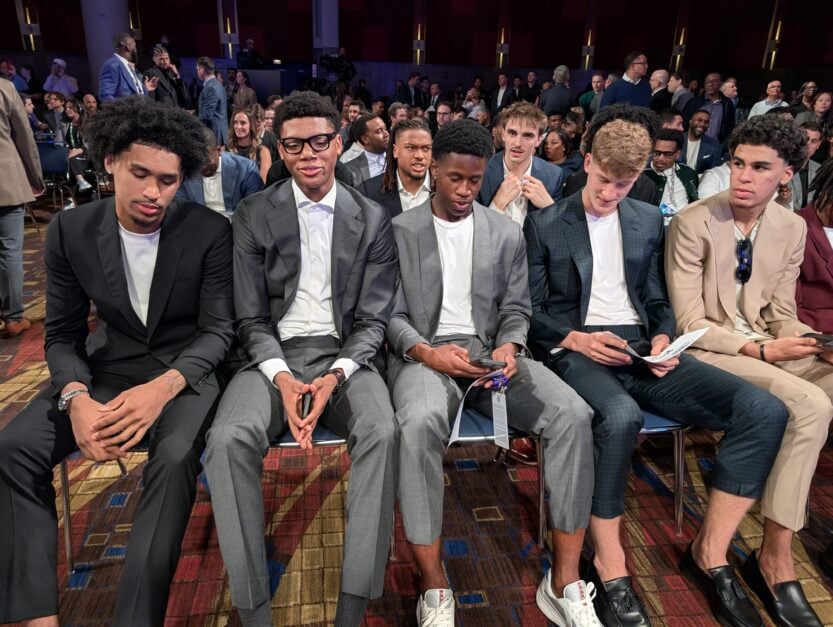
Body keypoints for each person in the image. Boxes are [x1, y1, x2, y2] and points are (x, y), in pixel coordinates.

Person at [525, 110, 791, 627]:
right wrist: (576, 337)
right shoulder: (546, 223)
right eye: (603, 181)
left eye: (623, 185)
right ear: (587, 163)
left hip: (641, 348)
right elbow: (531, 309)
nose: (609, 195)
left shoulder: (647, 219)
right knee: (620, 416)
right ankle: (610, 561)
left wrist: (666, 337)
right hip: (576, 348)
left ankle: (711, 552)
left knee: (763, 411)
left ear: (639, 178)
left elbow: (655, 297)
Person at [0, 95, 235, 626]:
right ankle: (34, 616)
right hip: (107, 369)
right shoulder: (70, 230)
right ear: (109, 161)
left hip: (185, 374)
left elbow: (220, 331)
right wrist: (75, 397)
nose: (154, 193)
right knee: (13, 449)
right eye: (140, 173)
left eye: (169, 180)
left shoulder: (208, 231)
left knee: (174, 457)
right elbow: (60, 334)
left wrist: (162, 389)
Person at [387, 118, 600, 626]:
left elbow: (516, 307)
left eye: (474, 180)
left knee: (573, 414)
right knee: (417, 425)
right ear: (434, 169)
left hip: (491, 355)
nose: (464, 190)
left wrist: (509, 343)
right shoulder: (399, 230)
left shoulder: (504, 231)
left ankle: (564, 581)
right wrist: (425, 351)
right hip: (427, 356)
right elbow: (387, 314)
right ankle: (434, 583)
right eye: (455, 178)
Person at [203, 90, 398, 627]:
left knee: (383, 431)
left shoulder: (371, 217)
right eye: (294, 145)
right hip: (271, 358)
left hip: (345, 356)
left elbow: (374, 321)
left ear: (339, 143)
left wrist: (336, 375)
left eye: (319, 142)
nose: (308, 154)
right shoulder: (253, 213)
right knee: (225, 441)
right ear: (281, 150)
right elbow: (249, 319)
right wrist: (284, 378)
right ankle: (252, 610)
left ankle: (353, 606)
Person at [665, 115, 832, 627]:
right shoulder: (693, 221)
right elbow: (690, 322)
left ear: (786, 174)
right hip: (707, 349)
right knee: (811, 404)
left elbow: (780, 309)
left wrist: (809, 339)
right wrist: (760, 351)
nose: (743, 176)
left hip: (762, 342)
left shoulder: (789, 226)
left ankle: (769, 545)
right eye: (738, 163)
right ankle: (776, 557)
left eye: (760, 167)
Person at [0, 79, 44, 338]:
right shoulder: (5, 88)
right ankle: (14, 317)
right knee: (10, 251)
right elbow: (24, 136)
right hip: (5, 180)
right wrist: (35, 176)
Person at [477, 101, 563, 226]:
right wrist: (497, 204)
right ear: (503, 134)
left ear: (539, 140)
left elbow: (559, 235)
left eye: (527, 136)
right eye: (512, 133)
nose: (517, 143)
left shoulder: (553, 176)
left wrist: (549, 207)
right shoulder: (481, 171)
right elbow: (473, 232)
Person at [176, 126, 263, 217]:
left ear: (219, 150)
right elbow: (182, 209)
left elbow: (254, 209)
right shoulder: (186, 171)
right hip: (199, 223)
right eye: (197, 159)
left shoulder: (246, 169)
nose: (202, 165)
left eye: (207, 157)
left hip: (235, 225)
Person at [359, 116, 432, 219]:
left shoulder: (444, 190)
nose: (420, 156)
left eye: (426, 148)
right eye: (411, 148)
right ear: (395, 151)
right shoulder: (369, 193)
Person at [99, 33, 156, 101]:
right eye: (135, 47)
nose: (136, 50)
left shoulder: (127, 65)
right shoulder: (112, 64)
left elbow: (132, 92)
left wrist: (144, 89)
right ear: (129, 47)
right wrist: (125, 110)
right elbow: (105, 96)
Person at [227, 108, 271, 183]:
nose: (238, 127)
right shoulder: (226, 149)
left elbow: (263, 183)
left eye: (243, 123)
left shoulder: (262, 151)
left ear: (251, 125)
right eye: (235, 123)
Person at [196, 56, 228, 146]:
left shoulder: (211, 87)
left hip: (214, 135)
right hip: (217, 133)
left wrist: (191, 117)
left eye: (198, 69)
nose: (197, 72)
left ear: (202, 70)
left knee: (216, 160)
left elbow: (207, 115)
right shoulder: (216, 84)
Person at [145, 45, 189, 109]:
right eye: (161, 59)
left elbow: (184, 95)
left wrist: (177, 75)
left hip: (176, 113)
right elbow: (151, 99)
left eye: (167, 58)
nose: (165, 61)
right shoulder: (150, 73)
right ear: (154, 59)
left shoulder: (171, 73)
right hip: (163, 115)